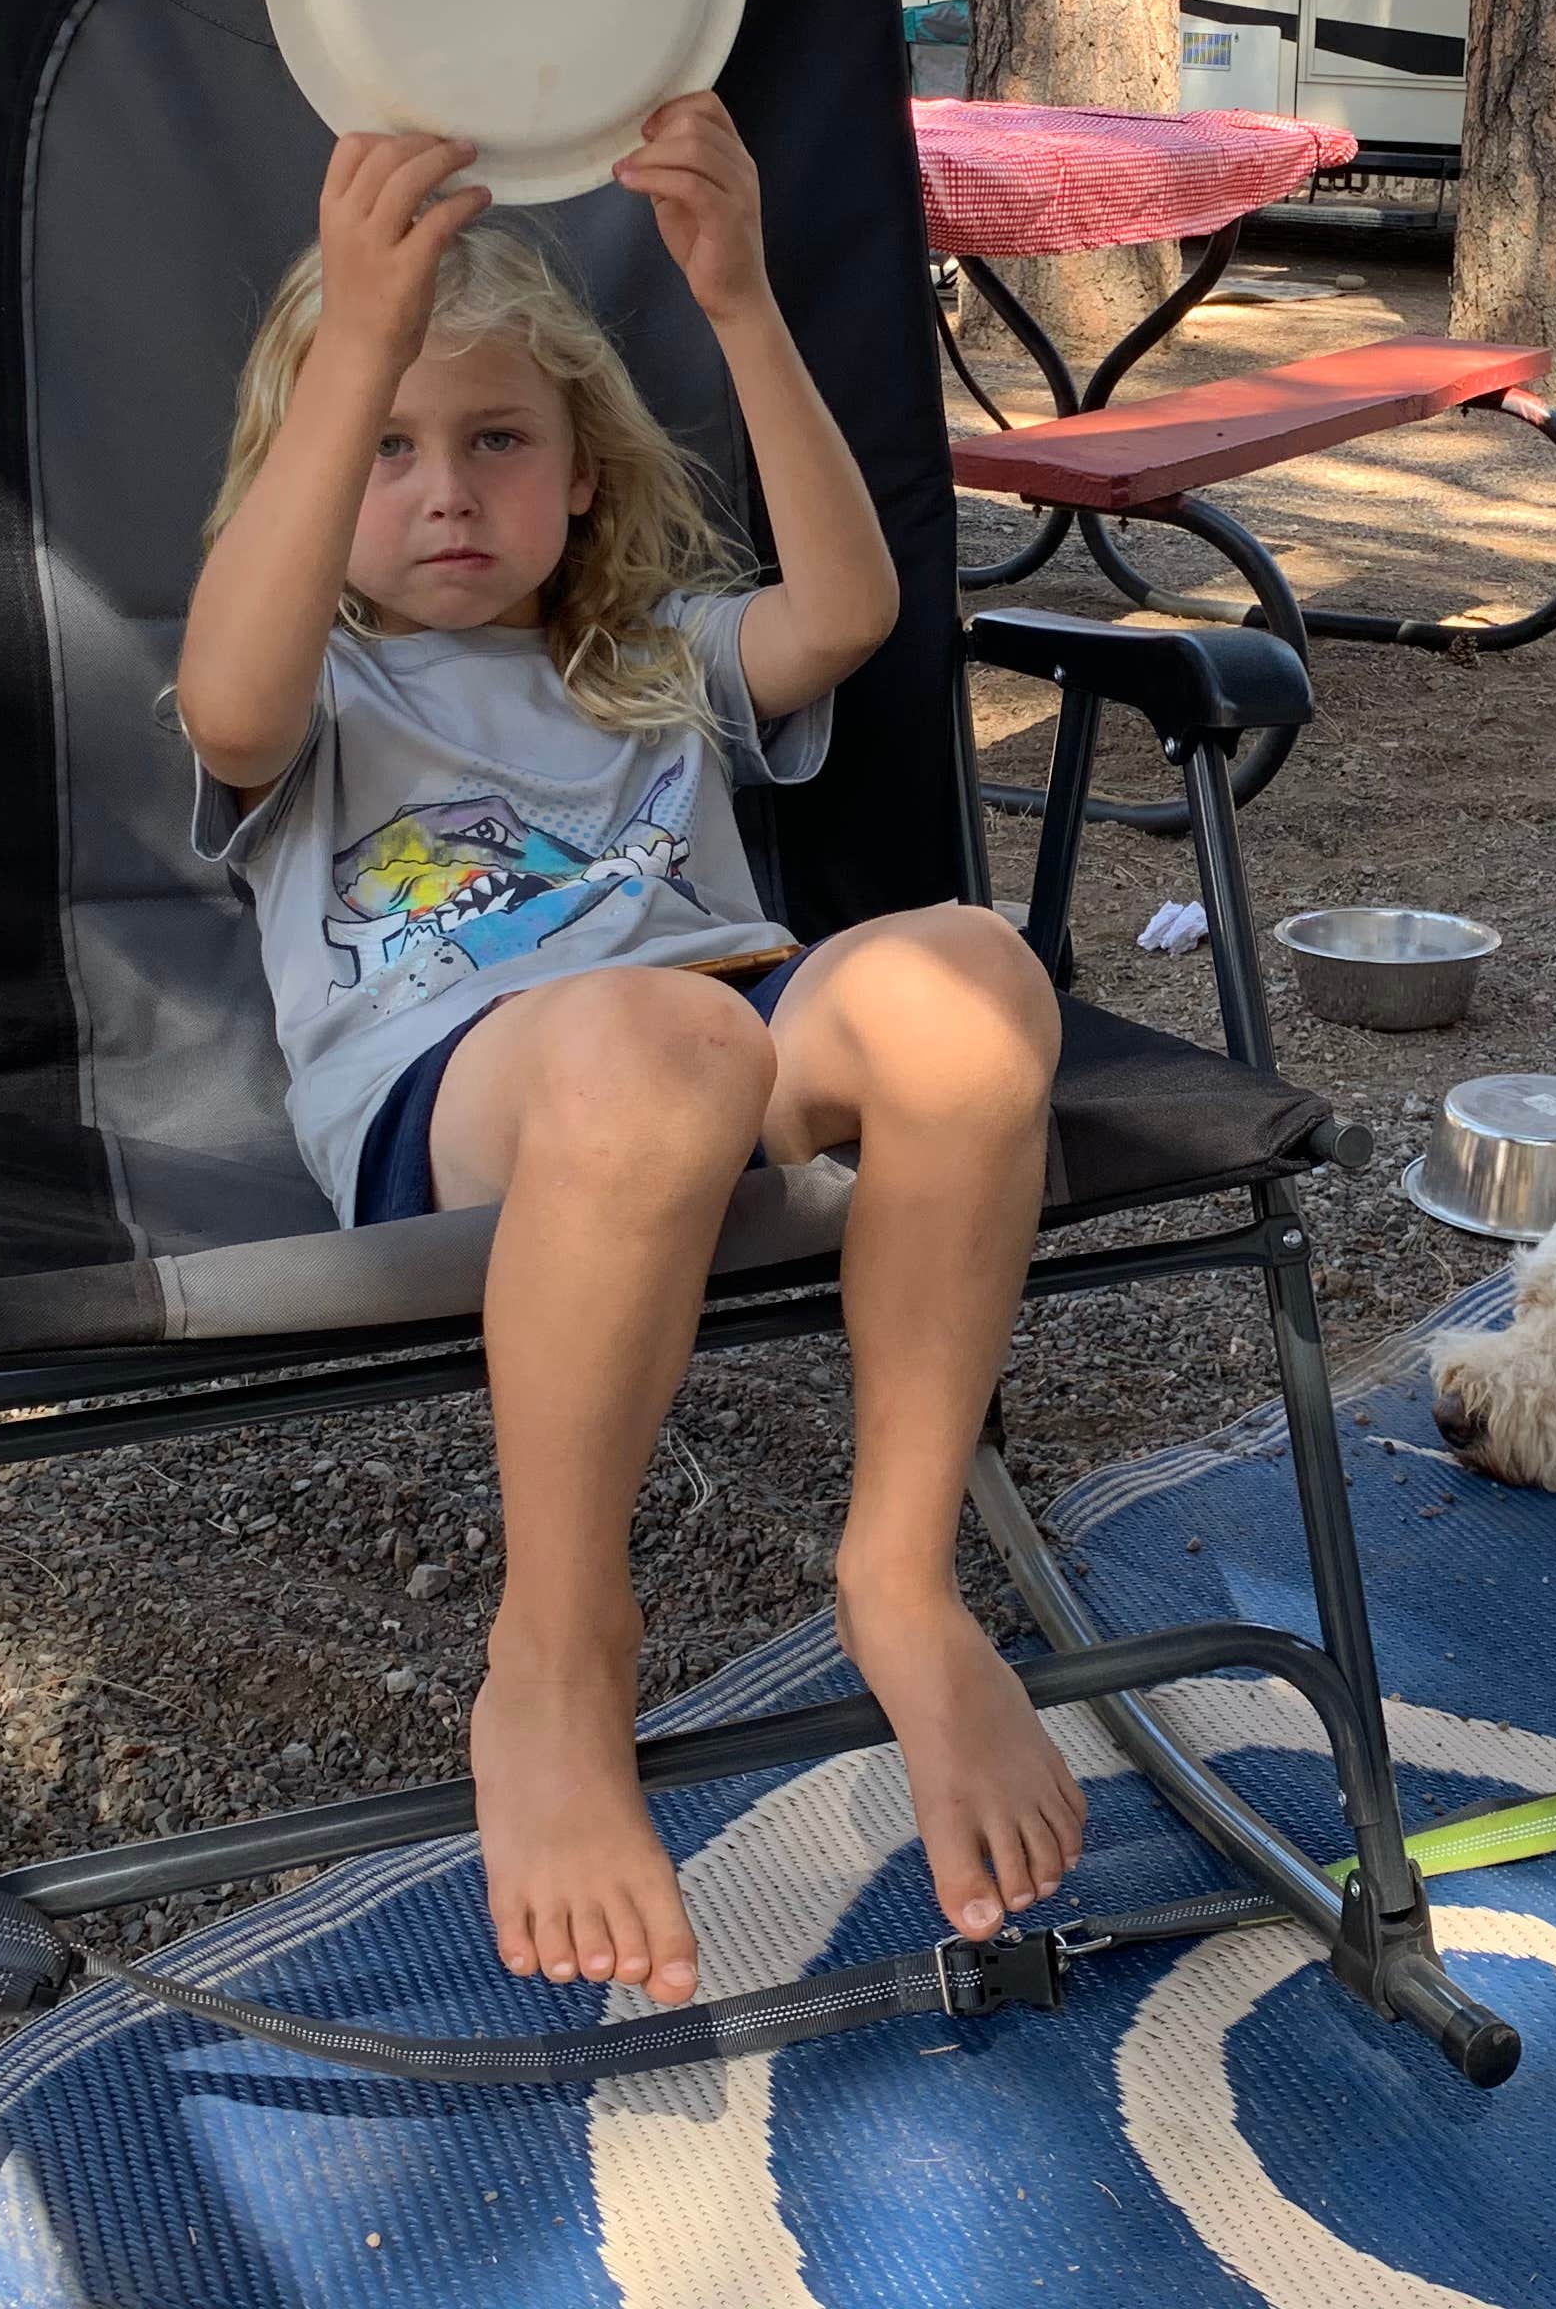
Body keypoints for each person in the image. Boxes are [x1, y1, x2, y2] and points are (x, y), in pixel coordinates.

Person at [178, 103, 1082, 2010]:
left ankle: (901, 1578)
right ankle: (559, 1650)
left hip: (722, 1020)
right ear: (316, 472)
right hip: (477, 1083)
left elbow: (849, 613)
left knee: (973, 976)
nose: (445, 492)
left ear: (581, 476)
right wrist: (358, 339)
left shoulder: (646, 659)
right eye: (390, 451)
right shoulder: (317, 690)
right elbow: (227, 695)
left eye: (497, 441)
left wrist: (745, 302)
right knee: (657, 1048)